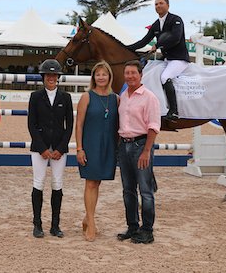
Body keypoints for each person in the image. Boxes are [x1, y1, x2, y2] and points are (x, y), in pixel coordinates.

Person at [27, 59, 74, 238]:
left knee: (57, 184)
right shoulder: (35, 97)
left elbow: (69, 125)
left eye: (54, 75)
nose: (51, 78)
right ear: (43, 77)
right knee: (38, 183)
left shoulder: (66, 98)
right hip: (40, 148)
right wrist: (42, 148)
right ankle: (37, 224)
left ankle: (55, 225)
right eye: (48, 75)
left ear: (58, 77)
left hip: (59, 149)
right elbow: (32, 124)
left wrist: (61, 148)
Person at [116, 60, 160, 244]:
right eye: (127, 73)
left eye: (133, 73)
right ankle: (132, 226)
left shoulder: (150, 97)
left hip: (141, 145)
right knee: (128, 190)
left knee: (145, 190)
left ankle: (147, 230)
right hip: (124, 146)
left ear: (141, 75)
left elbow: (154, 126)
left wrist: (146, 151)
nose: (130, 76)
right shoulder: (123, 96)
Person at [126, 0, 189, 121]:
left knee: (165, 77)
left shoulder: (176, 20)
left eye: (161, 3)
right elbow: (143, 41)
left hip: (179, 59)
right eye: (156, 4)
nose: (158, 6)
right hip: (166, 59)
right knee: (148, 71)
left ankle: (174, 111)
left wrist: (158, 45)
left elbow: (176, 38)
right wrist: (126, 48)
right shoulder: (156, 24)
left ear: (167, 5)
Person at [75, 61, 119, 242]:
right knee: (90, 183)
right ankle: (92, 223)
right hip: (90, 145)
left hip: (108, 145)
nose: (101, 77)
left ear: (109, 77)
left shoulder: (116, 99)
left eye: (104, 74)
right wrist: (79, 148)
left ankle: (87, 218)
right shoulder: (86, 97)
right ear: (93, 77)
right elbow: (79, 125)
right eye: (98, 74)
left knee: (97, 183)